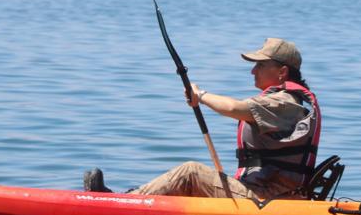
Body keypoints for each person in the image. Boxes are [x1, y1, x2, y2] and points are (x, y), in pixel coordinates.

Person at [85, 38, 321, 200]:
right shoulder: (283, 102)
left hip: (268, 198)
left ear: (282, 72)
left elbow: (234, 107)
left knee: (191, 172)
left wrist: (202, 95)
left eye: (260, 65)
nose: (253, 71)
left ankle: (125, 202)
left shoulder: (285, 103)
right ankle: (135, 199)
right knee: (195, 179)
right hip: (262, 191)